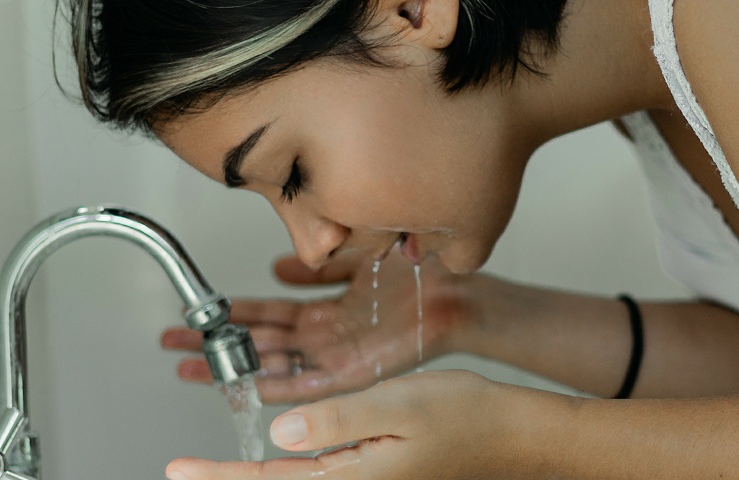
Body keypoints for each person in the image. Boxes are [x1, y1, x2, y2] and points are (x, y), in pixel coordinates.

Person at [60, 0, 739, 477]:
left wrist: (523, 441)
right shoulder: (648, 91)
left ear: (413, 9)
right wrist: (468, 314)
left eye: (294, 173)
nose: (313, 246)